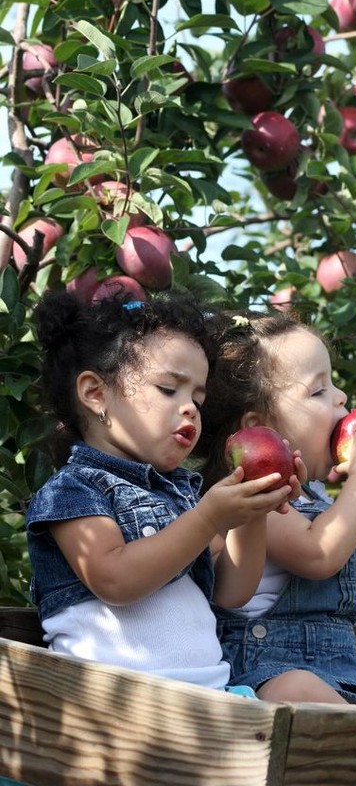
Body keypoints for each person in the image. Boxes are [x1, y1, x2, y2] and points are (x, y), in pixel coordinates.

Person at [25, 290, 308, 695]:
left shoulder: (183, 496)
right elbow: (116, 580)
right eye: (169, 389)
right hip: (121, 706)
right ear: (95, 393)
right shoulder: (74, 490)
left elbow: (232, 591)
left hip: (211, 699)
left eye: (198, 397)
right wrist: (208, 519)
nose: (191, 407)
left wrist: (253, 512)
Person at [196, 310, 356, 707]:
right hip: (269, 669)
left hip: (344, 669)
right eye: (318, 391)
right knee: (301, 692)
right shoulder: (254, 498)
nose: (342, 398)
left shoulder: (316, 495)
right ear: (259, 427)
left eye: (334, 385)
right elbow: (319, 555)